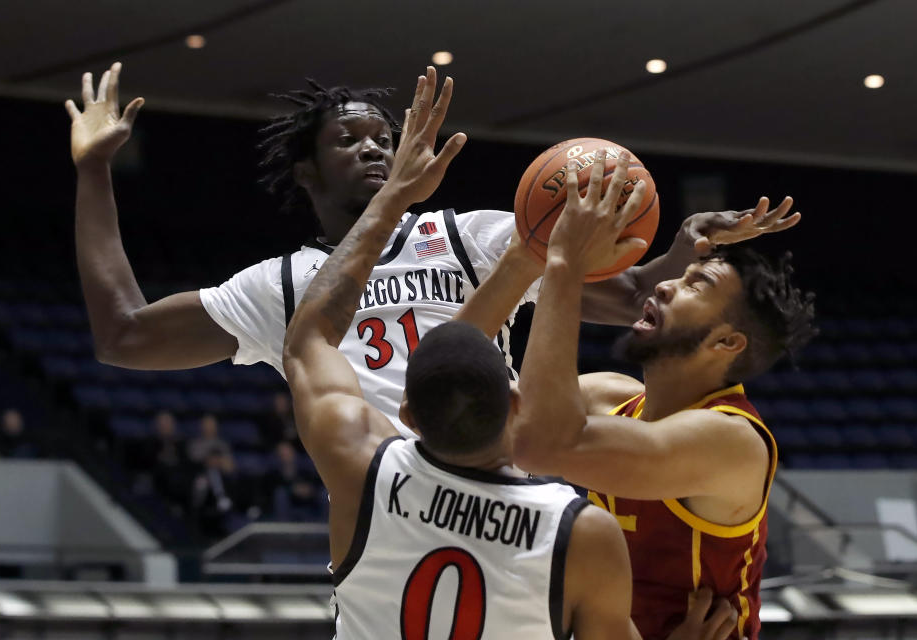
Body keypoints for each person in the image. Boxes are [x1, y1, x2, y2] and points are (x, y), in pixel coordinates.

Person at [65, 62, 799, 435]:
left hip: (504, 481)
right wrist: (94, 169)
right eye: (347, 141)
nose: (374, 149)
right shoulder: (281, 287)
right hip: (383, 500)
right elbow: (123, 335)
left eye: (384, 138)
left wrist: (680, 247)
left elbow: (631, 296)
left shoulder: (470, 235)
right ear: (306, 171)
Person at [281, 71, 734, 640]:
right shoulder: (577, 530)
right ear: (516, 405)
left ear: (410, 414)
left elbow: (309, 340)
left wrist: (398, 192)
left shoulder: (360, 472)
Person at [506, 151, 816, 639]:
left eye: (697, 283)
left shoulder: (729, 440)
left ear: (726, 343)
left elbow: (542, 444)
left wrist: (563, 261)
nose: (668, 283)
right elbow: (457, 420)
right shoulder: (610, 396)